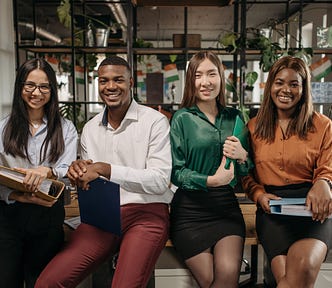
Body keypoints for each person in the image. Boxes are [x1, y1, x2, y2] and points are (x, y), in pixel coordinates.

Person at [35, 55, 173, 288]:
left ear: (131, 83)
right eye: (103, 80)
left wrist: (104, 169)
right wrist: (78, 174)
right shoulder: (89, 129)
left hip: (147, 214)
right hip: (102, 216)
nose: (110, 86)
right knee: (48, 283)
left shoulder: (155, 122)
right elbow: (89, 178)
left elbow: (160, 181)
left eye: (118, 80)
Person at [242, 56, 332, 288]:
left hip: (314, 211)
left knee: (301, 267)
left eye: (294, 84)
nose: (286, 90)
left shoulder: (323, 125)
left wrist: (324, 181)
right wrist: (258, 194)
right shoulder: (253, 127)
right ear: (270, 85)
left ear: (303, 89)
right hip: (273, 212)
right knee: (292, 280)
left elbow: (328, 165)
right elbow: (245, 173)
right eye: (279, 82)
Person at [169, 51, 252, 288]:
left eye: (211, 74)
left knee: (226, 277)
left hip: (225, 210)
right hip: (189, 212)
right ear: (190, 81)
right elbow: (176, 171)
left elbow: (247, 171)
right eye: (198, 75)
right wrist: (211, 180)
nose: (205, 82)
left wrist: (243, 156)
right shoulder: (182, 118)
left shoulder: (235, 118)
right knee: (212, 282)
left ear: (221, 77)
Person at [0, 58, 78, 288]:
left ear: (52, 90)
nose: (37, 92)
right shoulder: (3, 128)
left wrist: (49, 171)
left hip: (48, 216)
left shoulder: (66, 128)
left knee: (42, 283)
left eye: (44, 86)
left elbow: (69, 171)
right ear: (20, 87)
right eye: (30, 85)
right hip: (8, 217)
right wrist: (16, 196)